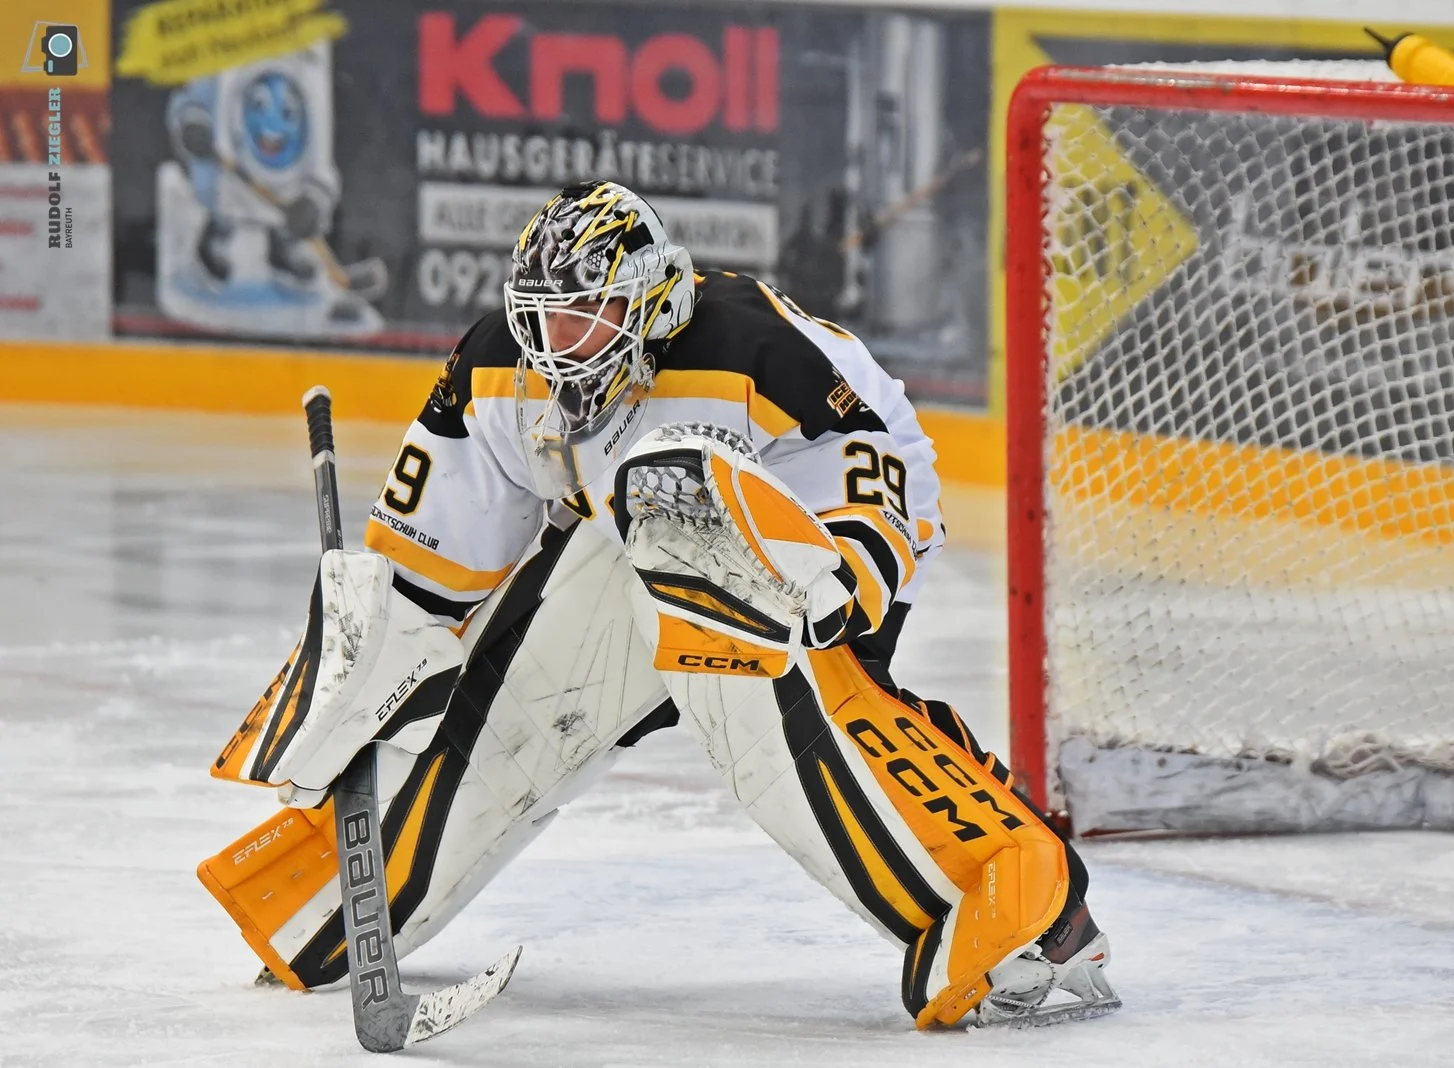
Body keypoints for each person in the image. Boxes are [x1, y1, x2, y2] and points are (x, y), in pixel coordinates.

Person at [199, 180, 1119, 1029]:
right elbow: (424, 576)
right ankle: (331, 903)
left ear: (648, 302)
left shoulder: (749, 345)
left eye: (589, 318)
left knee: (762, 694)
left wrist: (839, 583)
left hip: (802, 552)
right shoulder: (497, 374)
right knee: (508, 711)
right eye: (544, 322)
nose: (561, 350)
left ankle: (1014, 897)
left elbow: (880, 463)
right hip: (628, 546)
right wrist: (353, 688)